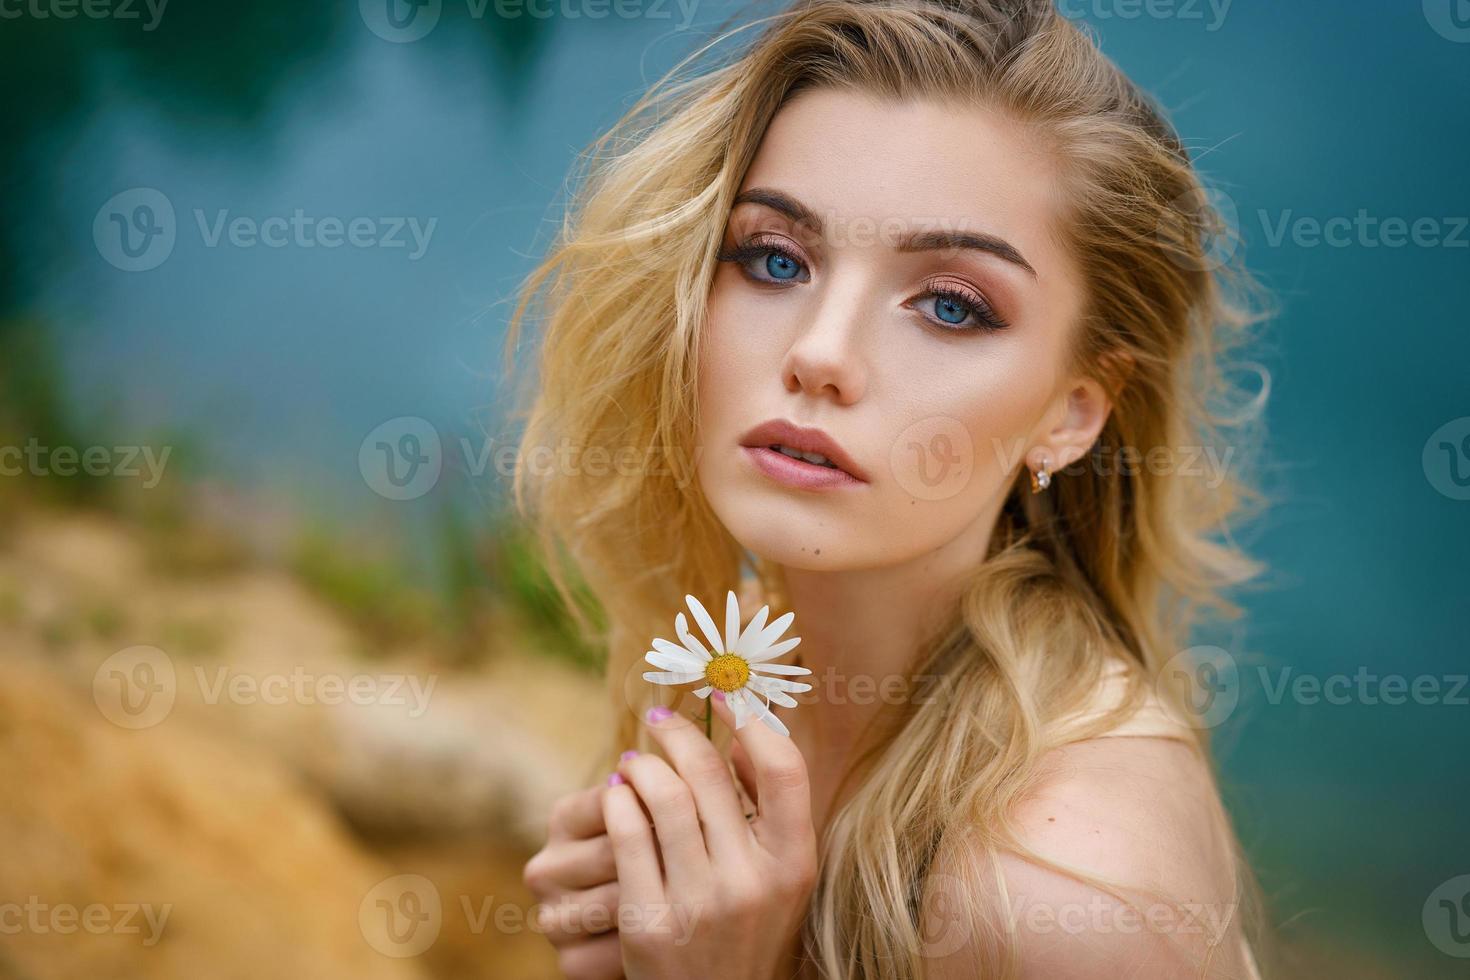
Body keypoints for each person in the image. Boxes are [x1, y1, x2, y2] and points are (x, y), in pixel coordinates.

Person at [513, 0, 1272, 976]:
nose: (820, 353)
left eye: (951, 305)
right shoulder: (745, 657)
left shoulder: (1066, 891)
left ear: (1073, 412)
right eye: (775, 258)